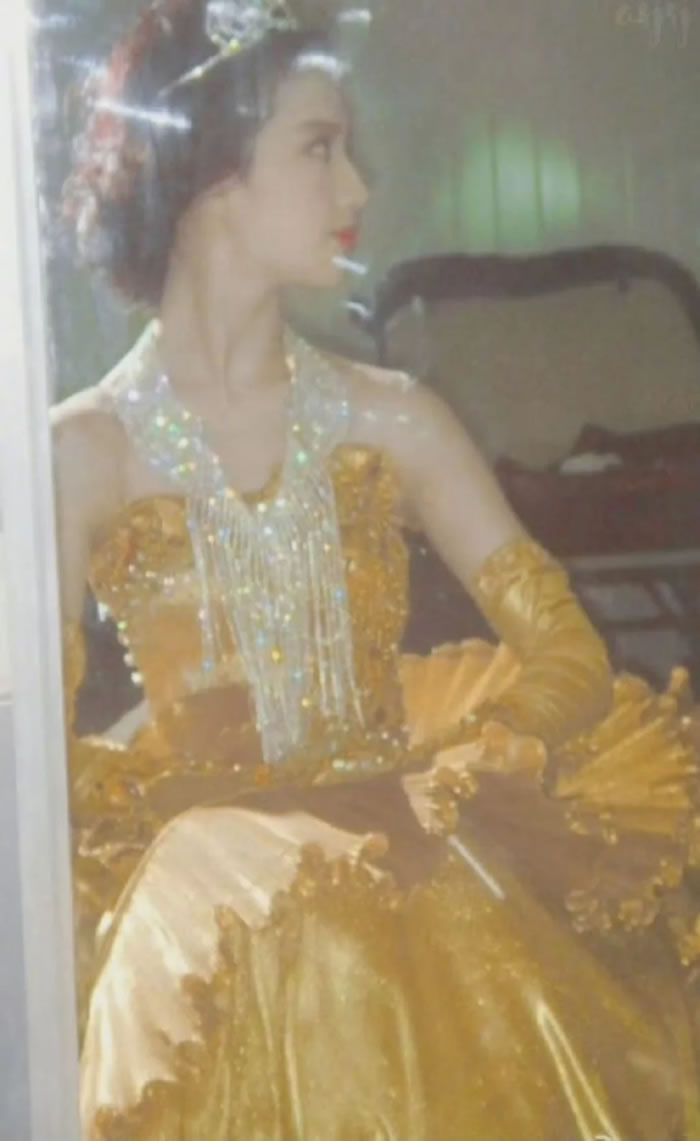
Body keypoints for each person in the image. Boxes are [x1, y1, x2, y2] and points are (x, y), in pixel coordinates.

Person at [52, 0, 700, 1137]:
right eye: (320, 148)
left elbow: (565, 646)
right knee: (215, 877)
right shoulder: (81, 450)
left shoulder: (393, 417)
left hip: (403, 848)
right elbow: (29, 742)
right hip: (196, 899)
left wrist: (496, 749)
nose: (356, 187)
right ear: (212, 171)